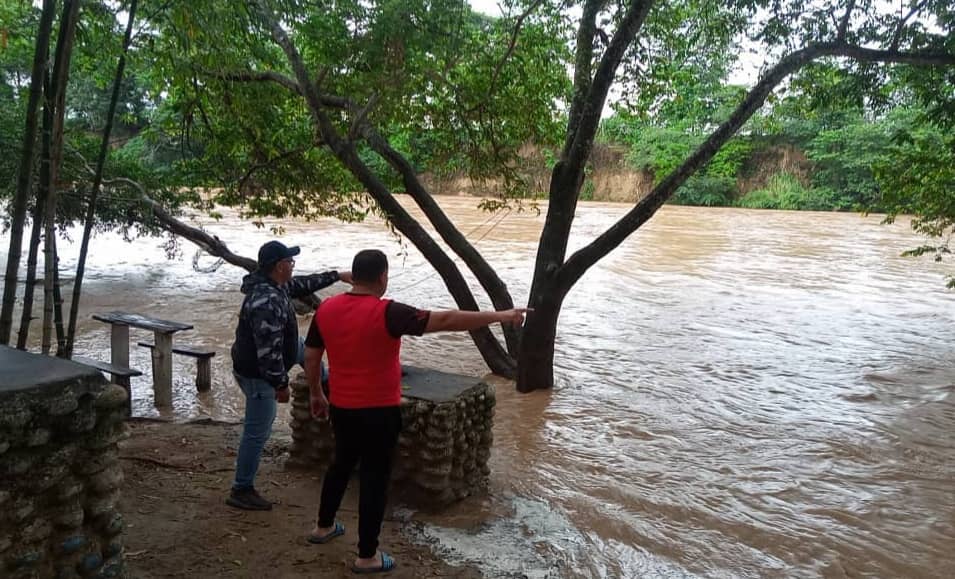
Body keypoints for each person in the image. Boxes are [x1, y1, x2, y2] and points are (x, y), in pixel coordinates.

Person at [302, 249, 528, 574]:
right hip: (379, 412)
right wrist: (502, 315)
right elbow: (448, 320)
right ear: (383, 276)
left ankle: (323, 527)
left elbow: (312, 356)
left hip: (341, 407)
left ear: (353, 275)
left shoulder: (326, 308)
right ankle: (368, 556)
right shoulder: (388, 312)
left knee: (340, 463)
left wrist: (315, 394)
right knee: (374, 479)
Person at [227, 240, 353, 511]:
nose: (293, 266)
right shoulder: (266, 301)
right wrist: (280, 385)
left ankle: (325, 383)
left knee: (308, 353)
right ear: (279, 266)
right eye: (290, 262)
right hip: (258, 373)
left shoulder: (276, 285)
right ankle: (241, 488)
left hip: (280, 349)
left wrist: (338, 275)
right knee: (257, 432)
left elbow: (303, 285)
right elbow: (267, 353)